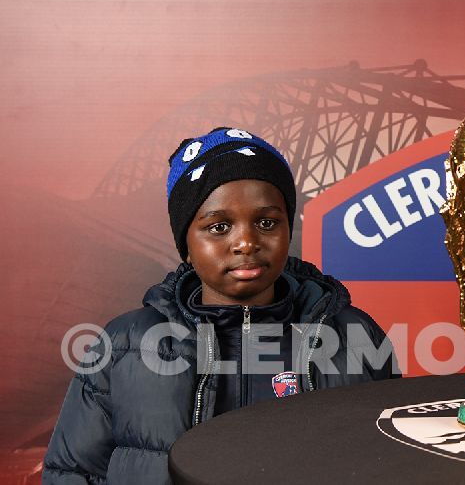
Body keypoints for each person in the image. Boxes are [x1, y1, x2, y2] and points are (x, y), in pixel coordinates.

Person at [43, 127, 397, 483]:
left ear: (289, 228)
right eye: (219, 227)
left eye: (266, 222)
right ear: (185, 243)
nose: (246, 242)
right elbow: (72, 473)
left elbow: (400, 463)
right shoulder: (123, 343)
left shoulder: (354, 335)